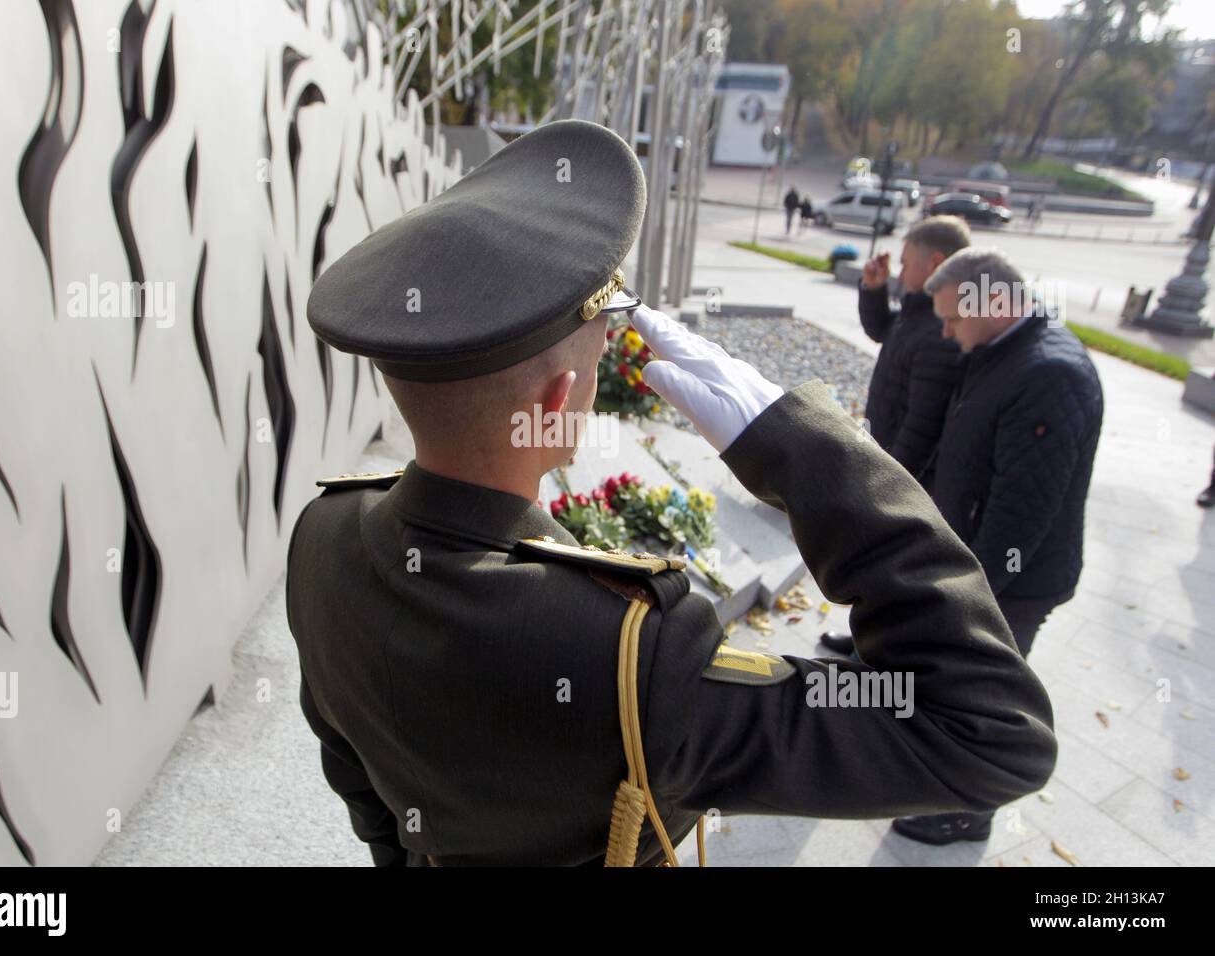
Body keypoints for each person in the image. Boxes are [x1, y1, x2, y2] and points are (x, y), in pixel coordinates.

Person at [286, 119, 1057, 866]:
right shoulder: (633, 657)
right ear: (562, 400)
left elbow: (355, 778)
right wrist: (812, 452)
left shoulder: (322, 536)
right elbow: (992, 735)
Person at [886, 247, 1103, 846]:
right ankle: (945, 780)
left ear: (997, 301)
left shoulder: (1047, 372)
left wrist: (970, 597)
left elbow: (1021, 515)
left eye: (953, 319)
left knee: (983, 702)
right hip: (984, 569)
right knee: (960, 689)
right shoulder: (1003, 351)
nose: (948, 334)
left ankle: (969, 811)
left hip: (1013, 583)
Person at [819, 216, 969, 657]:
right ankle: (867, 637)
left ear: (936, 262)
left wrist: (887, 482)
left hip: (905, 476)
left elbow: (923, 427)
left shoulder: (940, 334)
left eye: (906, 263)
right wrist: (874, 288)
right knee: (879, 568)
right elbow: (881, 329)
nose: (901, 271)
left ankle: (879, 651)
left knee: (894, 566)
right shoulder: (922, 311)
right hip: (889, 456)